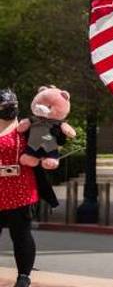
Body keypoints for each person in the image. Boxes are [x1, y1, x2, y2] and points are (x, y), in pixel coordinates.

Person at [0, 89, 39, 287]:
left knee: (21, 235)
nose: (10, 109)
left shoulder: (26, 128)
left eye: (12, 105)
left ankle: (24, 276)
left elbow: (49, 143)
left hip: (21, 191)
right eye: (5, 106)